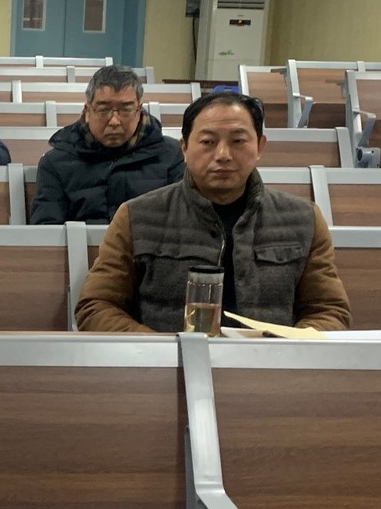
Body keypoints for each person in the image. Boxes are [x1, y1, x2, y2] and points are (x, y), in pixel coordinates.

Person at [75, 91, 351, 333]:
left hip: (271, 366)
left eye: (238, 141)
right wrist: (157, 348)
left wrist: (284, 349)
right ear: (184, 148)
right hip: (165, 367)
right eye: (208, 142)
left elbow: (329, 310)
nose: (223, 155)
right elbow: (96, 306)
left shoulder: (302, 220)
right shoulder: (138, 217)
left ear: (260, 147)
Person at [29, 65, 184, 225]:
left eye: (126, 110)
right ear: (87, 111)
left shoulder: (170, 154)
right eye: (103, 110)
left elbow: (184, 222)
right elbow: (47, 229)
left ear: (139, 111)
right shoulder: (56, 162)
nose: (114, 121)